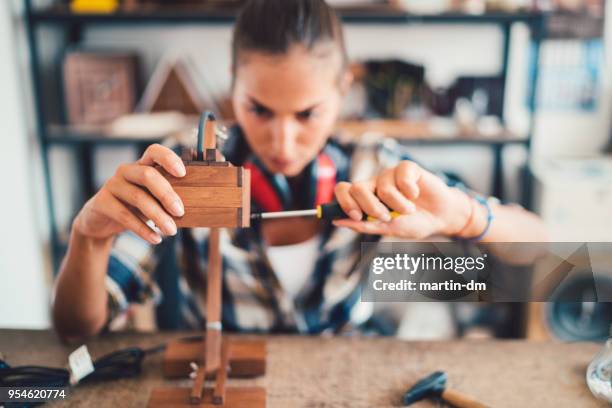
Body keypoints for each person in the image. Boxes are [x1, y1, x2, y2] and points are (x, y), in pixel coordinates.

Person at [52, 0, 547, 340]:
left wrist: (463, 217)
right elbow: (76, 329)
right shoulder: (184, 170)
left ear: (342, 92)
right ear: (233, 86)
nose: (282, 143)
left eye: (307, 114)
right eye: (259, 109)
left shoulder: (375, 165)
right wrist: (89, 237)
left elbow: (540, 246)